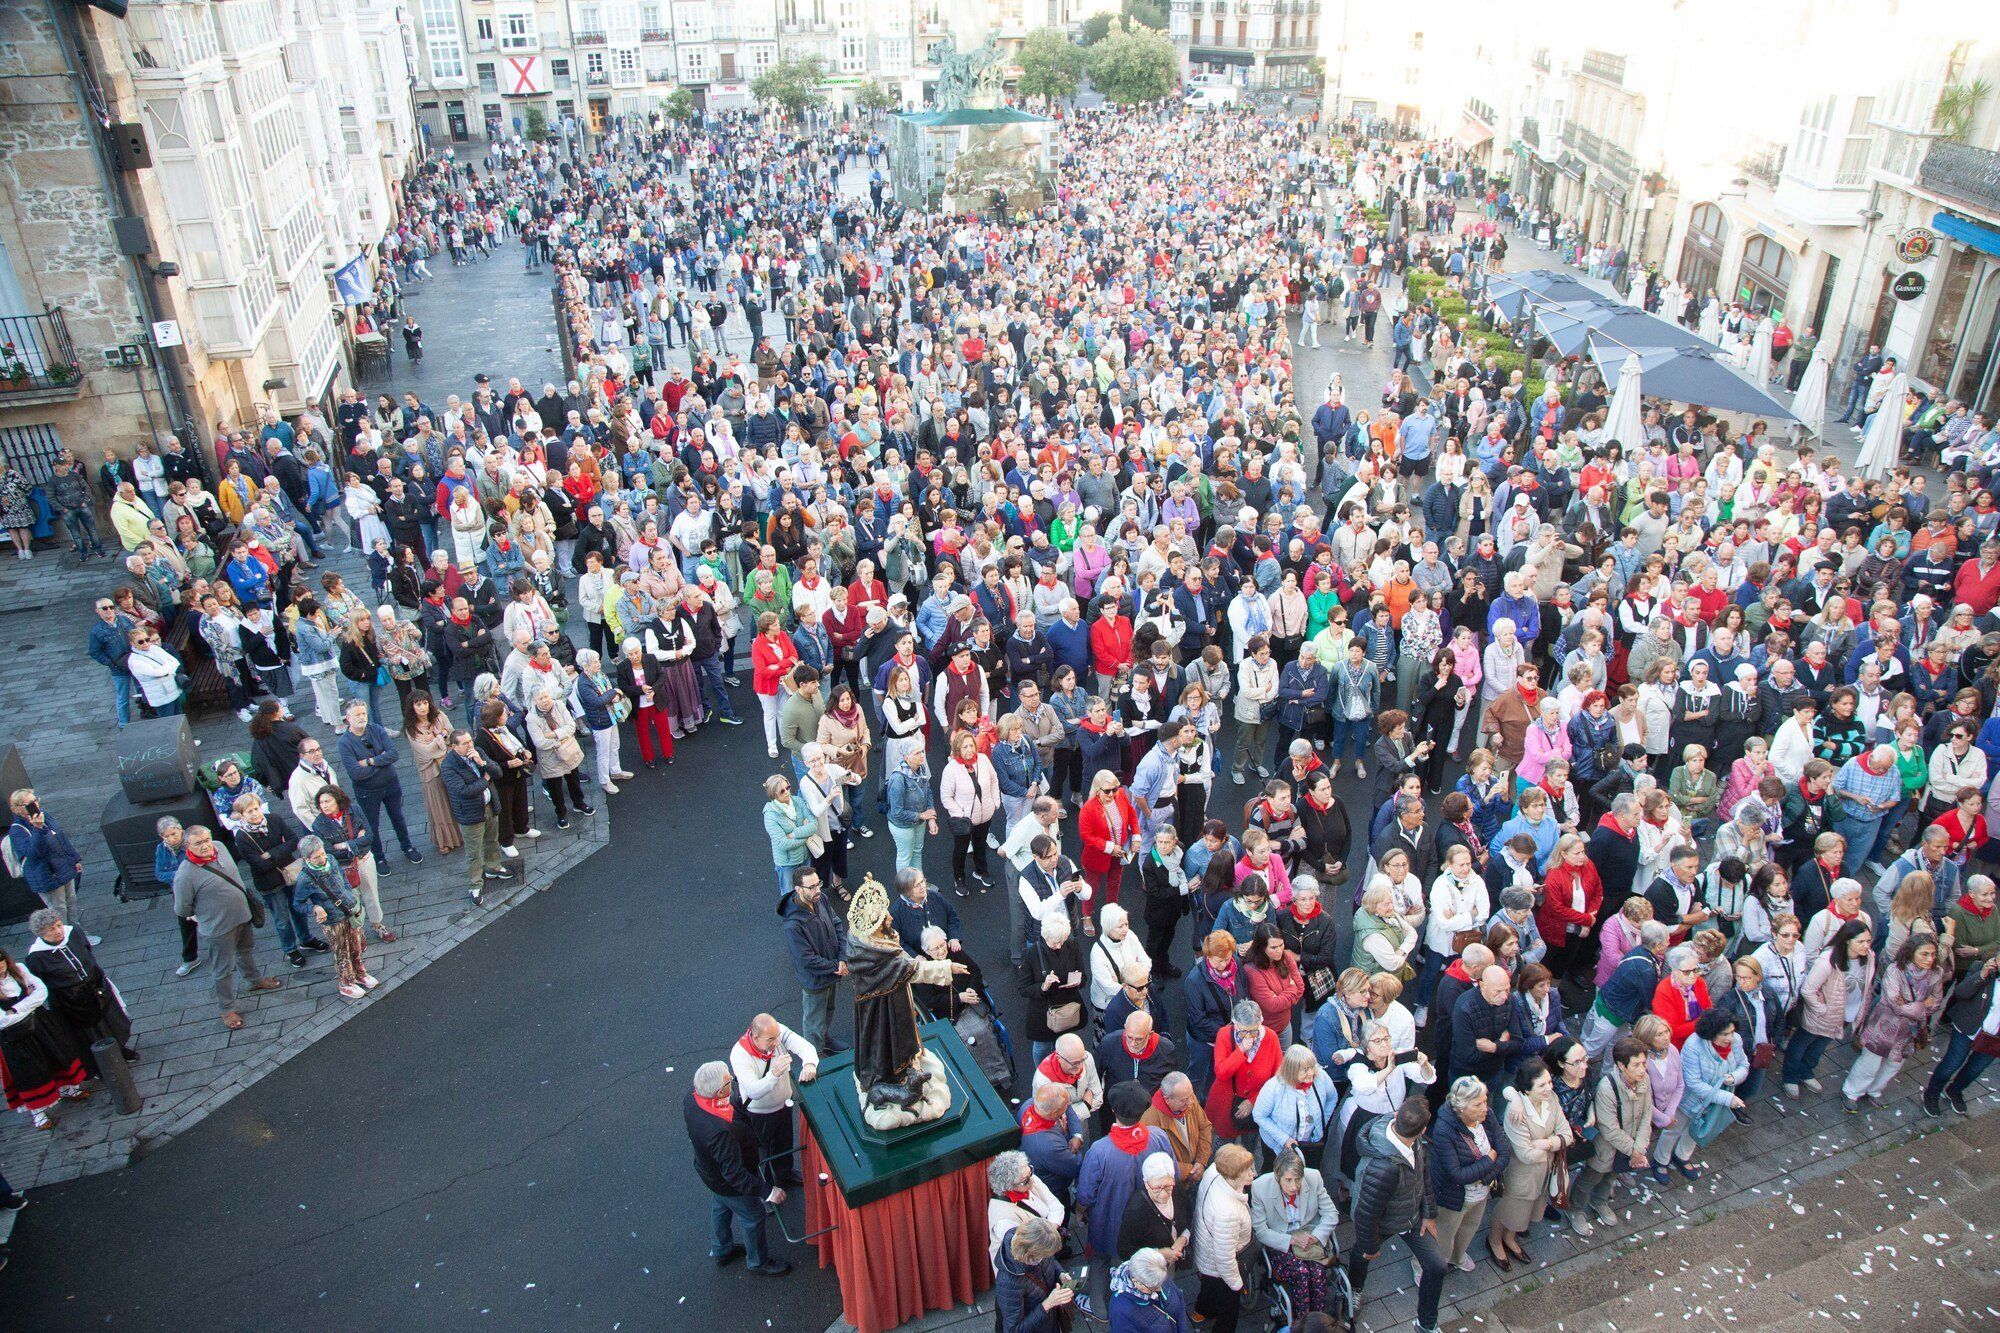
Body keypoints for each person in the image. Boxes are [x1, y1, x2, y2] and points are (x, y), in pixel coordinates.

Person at [1347, 1098, 1447, 1333]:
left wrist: (1428, 1213)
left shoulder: (1416, 1141)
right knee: (1362, 1254)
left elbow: (1423, 1176)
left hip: (1411, 1216)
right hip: (1382, 1222)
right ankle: (1354, 1289)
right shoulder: (1383, 1169)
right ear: (1422, 1129)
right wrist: (1371, 1246)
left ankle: (1426, 1325)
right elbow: (1366, 1213)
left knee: (1436, 1266)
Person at [683, 1060, 790, 1277]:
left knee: (720, 1205)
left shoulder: (691, 1100)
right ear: (719, 1091)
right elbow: (734, 1174)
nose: (733, 1081)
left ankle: (722, 1249)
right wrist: (768, 1191)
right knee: (754, 1216)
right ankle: (757, 1262)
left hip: (710, 1175)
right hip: (729, 1183)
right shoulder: (719, 1131)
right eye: (729, 1081)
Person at [171, 825, 282, 1030]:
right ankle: (227, 1009)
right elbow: (182, 909)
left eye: (207, 839)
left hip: (242, 916)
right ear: (187, 846)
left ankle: (254, 980)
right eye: (198, 843)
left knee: (245, 951)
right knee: (222, 969)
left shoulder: (220, 847)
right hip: (218, 928)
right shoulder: (185, 875)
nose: (205, 846)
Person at [1078, 1081, 1173, 1315]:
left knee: (1100, 1260)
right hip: (1150, 1221)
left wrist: (1080, 1212)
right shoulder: (1159, 1137)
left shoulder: (1099, 1151)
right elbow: (1173, 1175)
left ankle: (1099, 1308)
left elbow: (1085, 1193)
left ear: (1113, 1111)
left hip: (1109, 1222)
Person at [22, 908, 134, 1068]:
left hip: (95, 985)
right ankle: (100, 1064)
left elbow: (87, 950)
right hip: (71, 999)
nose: (58, 931)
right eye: (51, 929)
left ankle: (120, 1048)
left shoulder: (73, 933)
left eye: (59, 925)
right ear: (41, 934)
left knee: (110, 1020)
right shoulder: (36, 957)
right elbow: (40, 981)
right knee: (89, 1033)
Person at [729, 1013, 818, 1190]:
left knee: (784, 1143)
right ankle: (766, 1189)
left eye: (777, 1037)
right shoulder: (739, 1055)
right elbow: (754, 1091)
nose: (777, 1042)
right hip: (759, 1114)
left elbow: (804, 1046)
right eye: (771, 1039)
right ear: (755, 1037)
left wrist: (810, 1064)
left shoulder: (778, 1032)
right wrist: (775, 1073)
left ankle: (784, 1173)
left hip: (783, 1105)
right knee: (761, 1153)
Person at [1573, 1036, 1654, 1230]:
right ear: (1621, 1065)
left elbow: (1646, 1115)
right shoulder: (1607, 1088)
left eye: (1644, 1063)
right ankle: (1575, 1208)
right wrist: (1635, 1151)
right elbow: (1610, 1130)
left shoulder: (1644, 1080)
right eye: (1636, 1065)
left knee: (1612, 1176)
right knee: (1590, 1178)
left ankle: (1599, 1201)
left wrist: (1639, 1149)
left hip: (1629, 1147)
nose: (1642, 1069)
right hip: (1605, 1147)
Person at [1250, 1144, 1341, 1316]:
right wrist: (1292, 1240)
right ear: (1277, 1176)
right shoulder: (1260, 1187)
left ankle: (1317, 1320)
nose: (1294, 1186)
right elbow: (1261, 1231)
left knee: (1317, 1272)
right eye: (1289, 1180)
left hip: (1309, 1236)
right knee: (1301, 1273)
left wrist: (1316, 1236)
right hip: (1281, 1239)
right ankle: (1303, 1320)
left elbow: (1331, 1213)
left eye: (1298, 1179)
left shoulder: (1313, 1178)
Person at [335, 701, 423, 867]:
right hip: (368, 792)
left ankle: (407, 847)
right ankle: (379, 857)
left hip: (391, 785)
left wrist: (369, 761)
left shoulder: (376, 729)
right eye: (357, 714)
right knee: (372, 825)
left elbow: (394, 754)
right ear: (348, 718)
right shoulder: (344, 743)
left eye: (364, 713)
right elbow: (356, 773)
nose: (362, 717)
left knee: (398, 817)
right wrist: (382, 762)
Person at [5, 790, 93, 942]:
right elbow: (33, 854)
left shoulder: (44, 816)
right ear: (17, 809)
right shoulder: (17, 830)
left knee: (71, 903)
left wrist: (74, 859)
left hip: (63, 868)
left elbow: (61, 838)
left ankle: (79, 935)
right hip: (46, 875)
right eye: (29, 803)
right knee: (59, 909)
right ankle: (65, 940)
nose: (35, 805)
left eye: (35, 800)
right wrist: (37, 829)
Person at [440, 728, 514, 904]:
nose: (470, 745)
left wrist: (483, 764)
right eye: (465, 743)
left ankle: (493, 866)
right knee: (474, 852)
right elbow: (465, 791)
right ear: (453, 747)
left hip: (489, 806)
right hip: (471, 814)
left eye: (470, 741)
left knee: (492, 840)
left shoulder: (478, 753)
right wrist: (485, 779)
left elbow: (497, 772)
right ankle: (475, 885)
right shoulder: (448, 767)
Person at [1190, 1141, 1257, 1333]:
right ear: (1233, 1175)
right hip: (1219, 1267)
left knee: (1209, 1288)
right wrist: (1236, 1285)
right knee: (1228, 1313)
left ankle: (1200, 1312)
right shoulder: (1227, 1212)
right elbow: (1225, 1259)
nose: (1252, 1174)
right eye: (1247, 1171)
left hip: (1206, 1252)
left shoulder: (1215, 1170)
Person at [779, 868, 845, 1055]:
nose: (817, 890)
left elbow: (837, 924)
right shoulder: (793, 925)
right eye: (811, 887)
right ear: (798, 889)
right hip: (816, 980)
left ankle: (824, 1039)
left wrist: (842, 958)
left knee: (827, 1010)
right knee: (814, 1022)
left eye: (818, 884)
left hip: (833, 972)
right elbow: (806, 959)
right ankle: (814, 1057)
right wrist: (836, 966)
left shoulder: (820, 899)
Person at [988, 1149, 1067, 1266]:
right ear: (1009, 1186)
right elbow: (1027, 1251)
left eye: (1031, 1172)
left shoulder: (1027, 1177)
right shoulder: (1002, 1219)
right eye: (1025, 1181)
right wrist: (1049, 1232)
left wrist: (1049, 1230)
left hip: (1044, 1248)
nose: (1032, 1181)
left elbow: (1056, 1206)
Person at [992, 1217, 1073, 1331]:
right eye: (1044, 1256)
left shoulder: (1034, 1243)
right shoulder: (1008, 1282)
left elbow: (1051, 1260)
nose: (1047, 1257)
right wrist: (1048, 1304)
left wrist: (1061, 1274)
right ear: (1032, 1255)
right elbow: (1014, 1330)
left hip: (1048, 1322)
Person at [1107, 1246, 1187, 1332]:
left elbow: (1179, 1299)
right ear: (1136, 1282)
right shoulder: (1121, 1310)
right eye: (1153, 1288)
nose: (1159, 1289)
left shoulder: (1156, 1275)